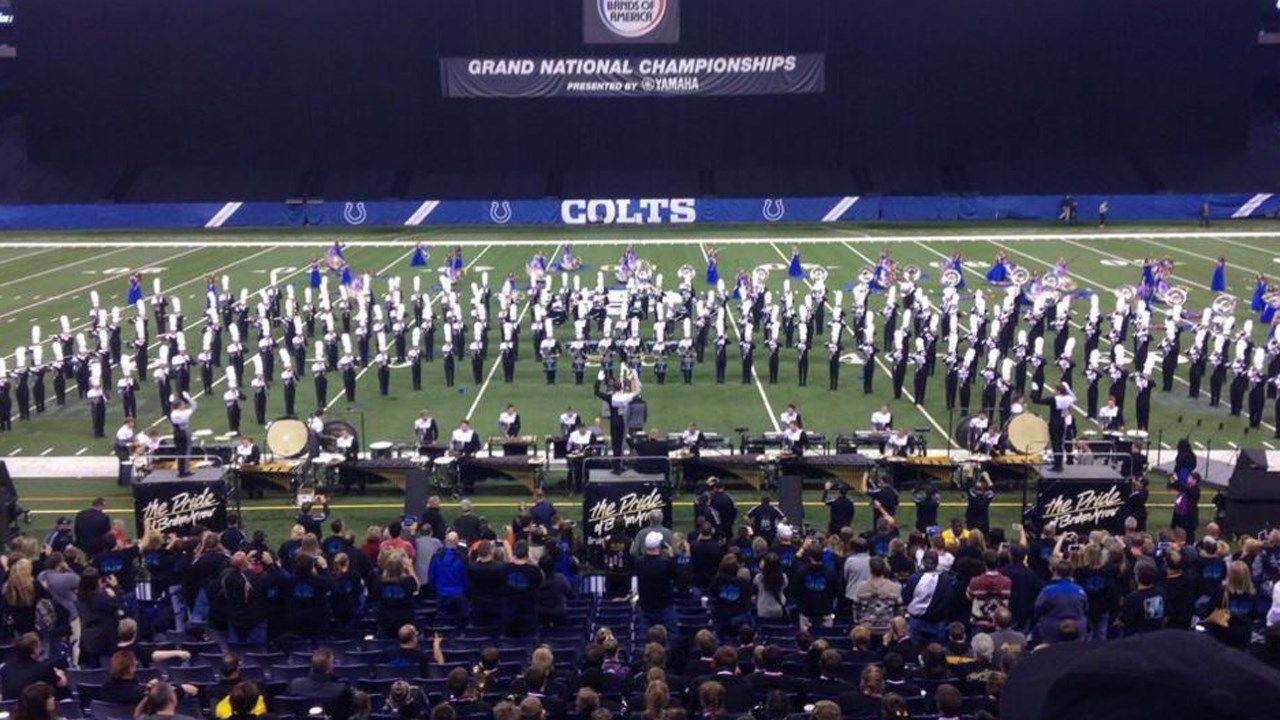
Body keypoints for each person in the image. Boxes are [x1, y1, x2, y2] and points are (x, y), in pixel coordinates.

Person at [1033, 560, 1087, 645]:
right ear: (1071, 573)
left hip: (1052, 631)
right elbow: (1085, 607)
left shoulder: (1048, 591)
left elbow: (1038, 609)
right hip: (1077, 630)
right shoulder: (1080, 590)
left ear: (1055, 573)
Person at [635, 531, 678, 635]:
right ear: (659, 545)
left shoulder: (639, 562)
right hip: (664, 607)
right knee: (672, 636)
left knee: (645, 638)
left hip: (645, 607)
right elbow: (677, 576)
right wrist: (672, 556)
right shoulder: (666, 563)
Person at [1, 634, 66, 700]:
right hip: (34, 707)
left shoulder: (5, 669)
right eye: (39, 646)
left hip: (8, 708)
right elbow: (62, 683)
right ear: (35, 649)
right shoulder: (43, 668)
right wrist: (60, 674)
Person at [1118, 559, 1166, 637]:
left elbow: (1124, 621)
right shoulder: (1161, 593)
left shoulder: (1133, 598)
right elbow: (1165, 616)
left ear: (1137, 577)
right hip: (1156, 635)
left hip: (1136, 638)